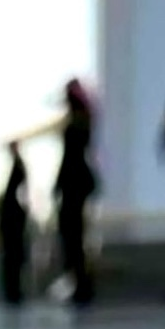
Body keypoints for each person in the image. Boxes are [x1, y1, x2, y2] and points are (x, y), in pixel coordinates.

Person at [54, 78, 99, 309]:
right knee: (75, 235)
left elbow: (70, 158)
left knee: (73, 236)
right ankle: (81, 282)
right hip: (77, 183)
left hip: (74, 184)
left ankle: (81, 283)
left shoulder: (78, 123)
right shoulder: (84, 120)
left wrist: (58, 184)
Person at [0, 142, 29, 308]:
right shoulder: (18, 167)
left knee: (13, 259)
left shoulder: (18, 167)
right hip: (13, 222)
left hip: (14, 223)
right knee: (12, 259)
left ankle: (14, 292)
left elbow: (21, 194)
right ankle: (13, 291)